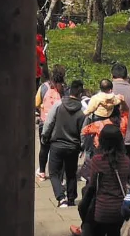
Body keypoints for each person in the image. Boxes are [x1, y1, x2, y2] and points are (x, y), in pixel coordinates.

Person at [76, 125, 130, 236]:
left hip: (102, 209)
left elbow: (92, 185)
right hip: (119, 210)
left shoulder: (97, 160)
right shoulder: (126, 160)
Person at [43, 79, 87, 207]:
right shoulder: (82, 111)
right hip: (73, 146)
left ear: (70, 91)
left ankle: (61, 198)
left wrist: (45, 136)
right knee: (71, 173)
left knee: (53, 173)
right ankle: (72, 199)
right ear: (80, 94)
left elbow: (49, 122)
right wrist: (82, 147)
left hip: (57, 144)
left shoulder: (59, 104)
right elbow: (83, 133)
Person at [37, 65, 67, 181]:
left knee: (44, 148)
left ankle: (42, 172)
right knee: (58, 149)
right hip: (60, 124)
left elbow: (36, 102)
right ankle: (58, 174)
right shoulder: (65, 89)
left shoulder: (43, 87)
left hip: (44, 122)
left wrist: (42, 107)